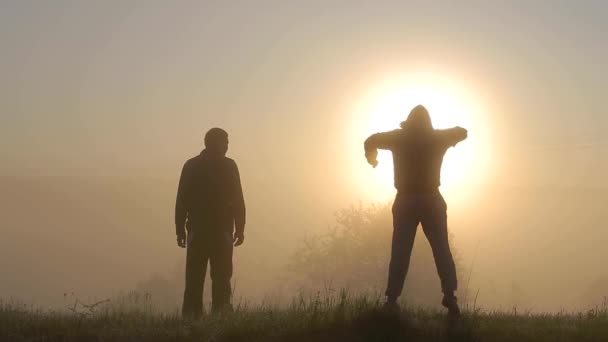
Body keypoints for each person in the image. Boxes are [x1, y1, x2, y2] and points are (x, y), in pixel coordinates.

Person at [364, 105, 467, 315]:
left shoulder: (398, 138)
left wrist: (372, 157)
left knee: (400, 251)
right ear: (428, 122)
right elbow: (463, 132)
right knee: (441, 250)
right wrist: (448, 136)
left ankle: (391, 299)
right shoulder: (437, 138)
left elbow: (370, 140)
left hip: (405, 200)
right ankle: (450, 296)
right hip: (431, 199)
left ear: (408, 121)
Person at [175, 128, 246, 318]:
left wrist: (180, 230)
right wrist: (240, 228)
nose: (228, 145)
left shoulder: (191, 165)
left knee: (195, 279)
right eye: (226, 141)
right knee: (221, 278)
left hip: (199, 231)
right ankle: (220, 318)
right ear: (215, 143)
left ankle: (192, 320)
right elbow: (238, 198)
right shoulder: (229, 166)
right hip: (220, 231)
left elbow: (181, 199)